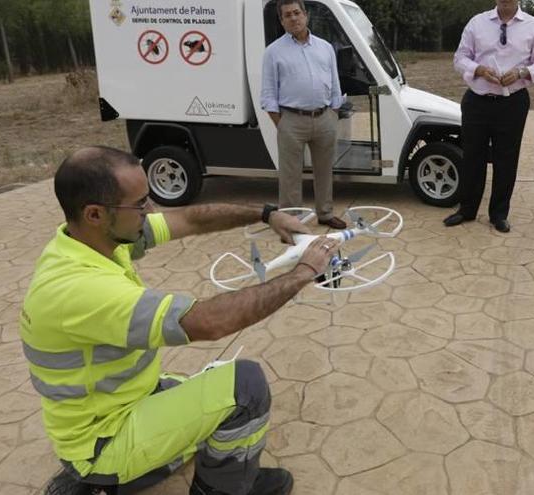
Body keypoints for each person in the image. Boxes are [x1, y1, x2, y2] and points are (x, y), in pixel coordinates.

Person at [29, 146, 340, 495]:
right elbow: (208, 322)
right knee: (244, 387)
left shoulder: (88, 240)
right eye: (140, 204)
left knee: (200, 392)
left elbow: (191, 220)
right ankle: (212, 490)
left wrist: (267, 215)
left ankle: (112, 479)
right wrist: (304, 272)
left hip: (121, 402)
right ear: (95, 214)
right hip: (103, 438)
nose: (151, 211)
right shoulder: (80, 289)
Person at [443, 0, 534, 233]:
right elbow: (460, 58)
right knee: (472, 157)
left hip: (513, 102)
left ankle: (499, 214)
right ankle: (467, 210)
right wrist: (479, 70)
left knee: (506, 159)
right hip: (477, 100)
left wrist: (523, 72)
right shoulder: (477, 23)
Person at [261, 0, 346, 230]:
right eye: (287, 15)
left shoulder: (325, 47)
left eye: (297, 13)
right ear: (281, 21)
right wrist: (282, 123)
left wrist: (333, 112)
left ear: (306, 15)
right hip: (291, 121)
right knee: (290, 177)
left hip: (324, 118)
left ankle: (325, 214)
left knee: (324, 171)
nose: (293, 18)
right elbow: (268, 94)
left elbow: (335, 84)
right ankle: (291, 222)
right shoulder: (273, 52)